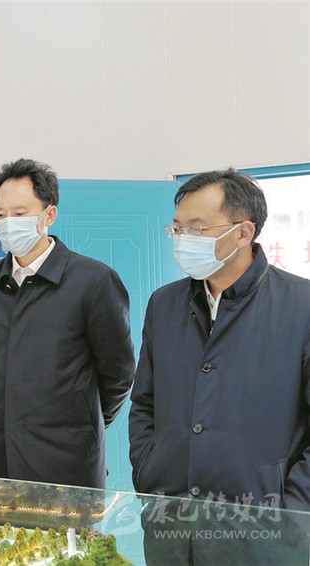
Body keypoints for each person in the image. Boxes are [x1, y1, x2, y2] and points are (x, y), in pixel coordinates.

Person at [129, 169, 310, 564]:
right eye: (177, 229)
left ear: (243, 233)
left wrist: (295, 514)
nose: (182, 240)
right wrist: (148, 471)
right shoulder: (164, 304)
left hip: (264, 534)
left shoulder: (301, 306)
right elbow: (144, 402)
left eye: (196, 228)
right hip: (172, 526)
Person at [0, 158, 135, 488]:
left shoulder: (93, 280)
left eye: (20, 214)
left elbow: (118, 373)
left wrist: (79, 425)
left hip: (66, 462)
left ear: (49, 215)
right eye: (0, 215)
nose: (8, 223)